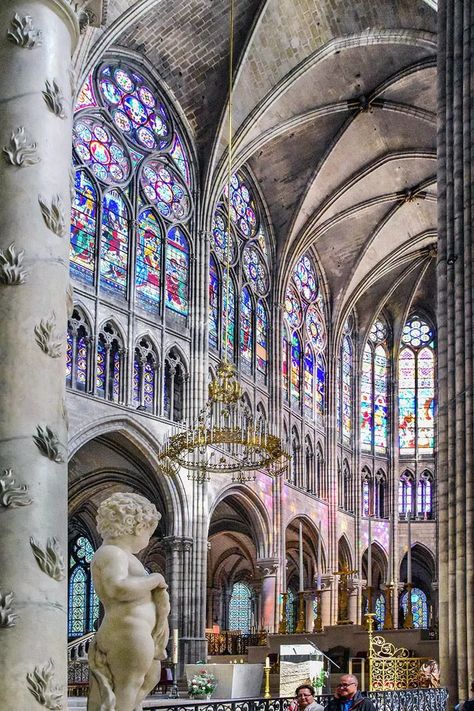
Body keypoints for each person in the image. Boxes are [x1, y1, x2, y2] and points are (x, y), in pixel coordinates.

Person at [87, 492, 170, 711]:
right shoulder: (111, 553)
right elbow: (117, 588)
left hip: (140, 634)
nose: (147, 541)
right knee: (127, 686)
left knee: (148, 679)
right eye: (148, 533)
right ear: (137, 526)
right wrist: (155, 579)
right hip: (126, 633)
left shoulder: (125, 556)